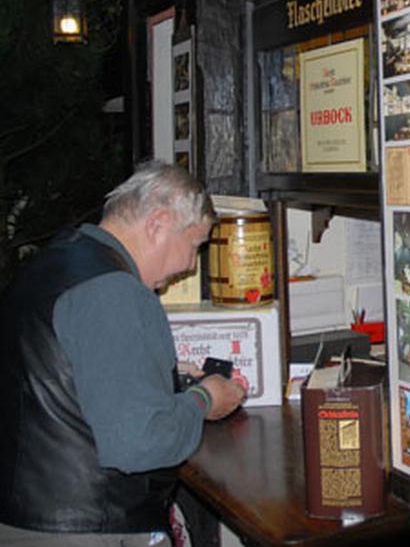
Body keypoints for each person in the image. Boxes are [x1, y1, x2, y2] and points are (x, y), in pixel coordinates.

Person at [0, 160, 247, 546]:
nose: (189, 265)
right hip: (87, 527)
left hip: (26, 510)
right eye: (195, 245)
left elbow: (57, 367)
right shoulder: (115, 292)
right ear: (158, 223)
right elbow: (143, 443)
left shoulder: (57, 261)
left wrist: (155, 370)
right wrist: (204, 398)